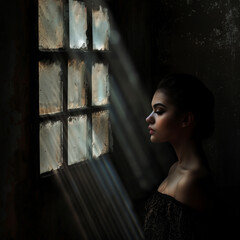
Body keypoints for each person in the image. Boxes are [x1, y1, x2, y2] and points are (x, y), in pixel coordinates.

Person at [144, 73, 215, 240]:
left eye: (159, 111)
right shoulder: (175, 168)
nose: (149, 118)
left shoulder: (190, 181)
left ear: (186, 119)